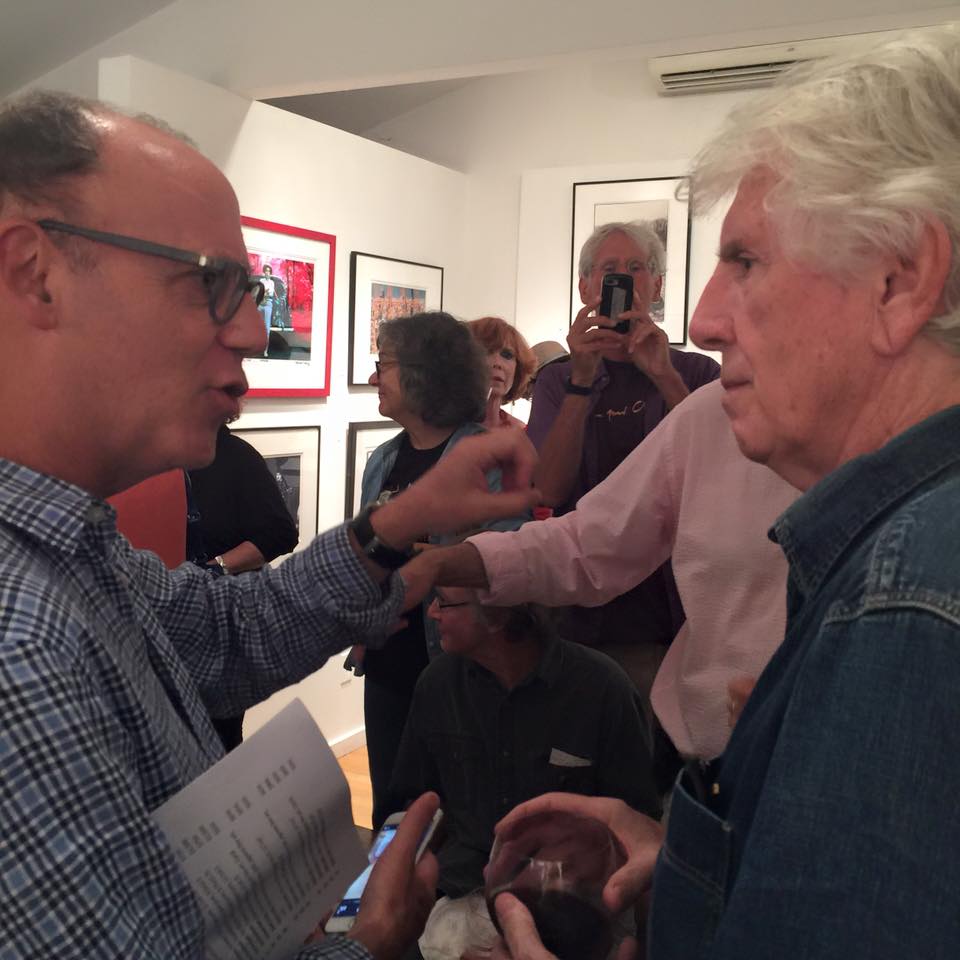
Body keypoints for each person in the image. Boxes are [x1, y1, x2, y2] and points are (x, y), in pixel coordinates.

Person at [0, 90, 539, 960]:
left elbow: (222, 630)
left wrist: (397, 521)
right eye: (211, 283)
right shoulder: (18, 643)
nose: (254, 330)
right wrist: (369, 948)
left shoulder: (69, 548)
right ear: (36, 273)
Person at [487, 25, 960, 960]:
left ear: (901, 280)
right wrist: (696, 858)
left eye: (745, 261)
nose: (705, 313)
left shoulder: (907, 604)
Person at [404, 378, 798, 766]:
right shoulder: (712, 410)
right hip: (706, 761)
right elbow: (591, 542)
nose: (705, 325)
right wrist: (445, 561)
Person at [528, 220, 719, 692]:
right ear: (586, 286)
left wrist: (664, 376)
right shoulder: (557, 380)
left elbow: (718, 472)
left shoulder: (696, 372)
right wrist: (582, 380)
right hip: (581, 605)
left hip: (670, 604)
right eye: (609, 268)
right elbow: (549, 488)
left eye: (637, 267)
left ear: (656, 285)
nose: (624, 277)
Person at [359, 310, 528, 831]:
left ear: (421, 373)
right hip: (389, 661)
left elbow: (500, 566)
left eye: (382, 365)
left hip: (456, 665)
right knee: (391, 804)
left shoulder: (488, 460)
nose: (372, 379)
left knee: (456, 812)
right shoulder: (382, 460)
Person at [390, 587, 660, 903]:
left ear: (497, 614)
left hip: (564, 894)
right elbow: (411, 798)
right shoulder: (437, 685)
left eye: (445, 602)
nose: (432, 611)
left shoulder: (601, 689)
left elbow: (638, 818)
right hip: (457, 887)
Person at [187, 420, 300, 750]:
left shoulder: (236, 457)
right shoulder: (151, 462)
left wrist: (216, 568)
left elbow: (279, 533)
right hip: (161, 625)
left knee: (218, 746)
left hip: (219, 631)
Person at [466, 316, 536, 430]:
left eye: (507, 355)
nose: (497, 363)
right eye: (486, 352)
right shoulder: (440, 430)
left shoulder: (522, 433)